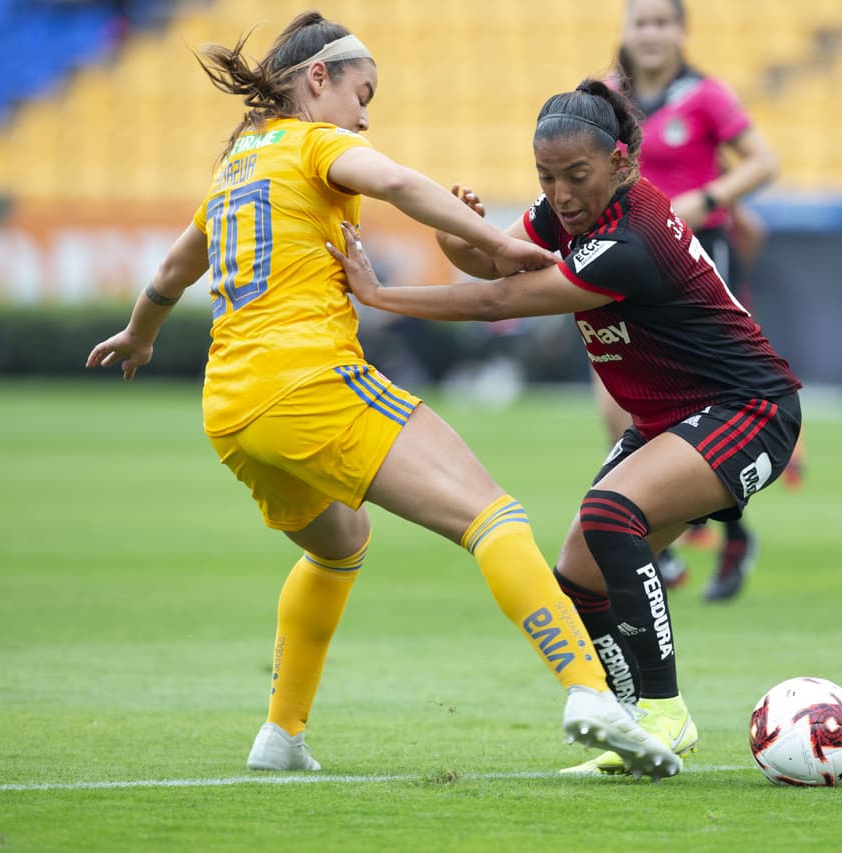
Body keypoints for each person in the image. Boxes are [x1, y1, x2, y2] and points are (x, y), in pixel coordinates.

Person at [85, 12, 680, 780]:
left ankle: (281, 734)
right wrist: (498, 245)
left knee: (341, 543)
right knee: (493, 514)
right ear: (318, 79)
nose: (366, 116)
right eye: (362, 94)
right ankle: (590, 694)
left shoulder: (235, 167)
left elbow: (171, 273)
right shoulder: (316, 141)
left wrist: (140, 333)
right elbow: (395, 181)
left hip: (231, 409)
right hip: (307, 381)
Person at [327, 78, 803, 775]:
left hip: (749, 409)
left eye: (576, 175)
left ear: (619, 162)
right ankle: (634, 724)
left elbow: (500, 300)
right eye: (546, 178)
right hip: (675, 415)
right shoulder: (573, 216)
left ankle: (664, 712)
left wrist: (379, 295)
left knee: (612, 515)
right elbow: (494, 261)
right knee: (578, 571)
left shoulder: (631, 239)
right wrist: (455, 228)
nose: (561, 194)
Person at [595, 0, 783, 602]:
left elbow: (764, 161)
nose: (649, 33)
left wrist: (708, 199)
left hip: (695, 264)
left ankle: (728, 533)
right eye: (639, 22)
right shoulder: (605, 96)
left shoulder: (706, 96)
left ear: (681, 31)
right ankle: (658, 540)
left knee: (707, 405)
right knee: (615, 403)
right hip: (623, 259)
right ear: (625, 30)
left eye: (661, 22)